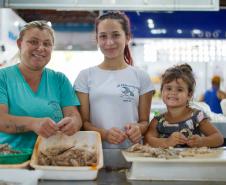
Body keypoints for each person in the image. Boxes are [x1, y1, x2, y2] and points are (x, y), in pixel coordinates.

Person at [74, 11, 154, 149]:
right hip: (94, 152)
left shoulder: (141, 77)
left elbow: (144, 122)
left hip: (133, 153)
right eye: (103, 36)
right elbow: (84, 123)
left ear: (128, 37)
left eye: (116, 35)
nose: (109, 42)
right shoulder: (85, 76)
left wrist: (138, 129)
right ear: (97, 40)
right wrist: (104, 134)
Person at [0, 20, 82, 149]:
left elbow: (74, 115)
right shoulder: (3, 77)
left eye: (47, 44)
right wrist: (32, 124)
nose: (40, 48)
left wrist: (73, 123)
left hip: (52, 157)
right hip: (11, 160)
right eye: (33, 42)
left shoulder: (59, 79)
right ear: (19, 44)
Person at [144, 64, 224, 148]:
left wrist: (202, 141)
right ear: (162, 92)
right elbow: (147, 140)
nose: (173, 93)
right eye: (168, 88)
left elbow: (219, 138)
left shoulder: (198, 116)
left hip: (192, 161)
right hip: (166, 161)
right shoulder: (157, 121)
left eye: (179, 89)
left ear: (189, 95)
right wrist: (167, 142)